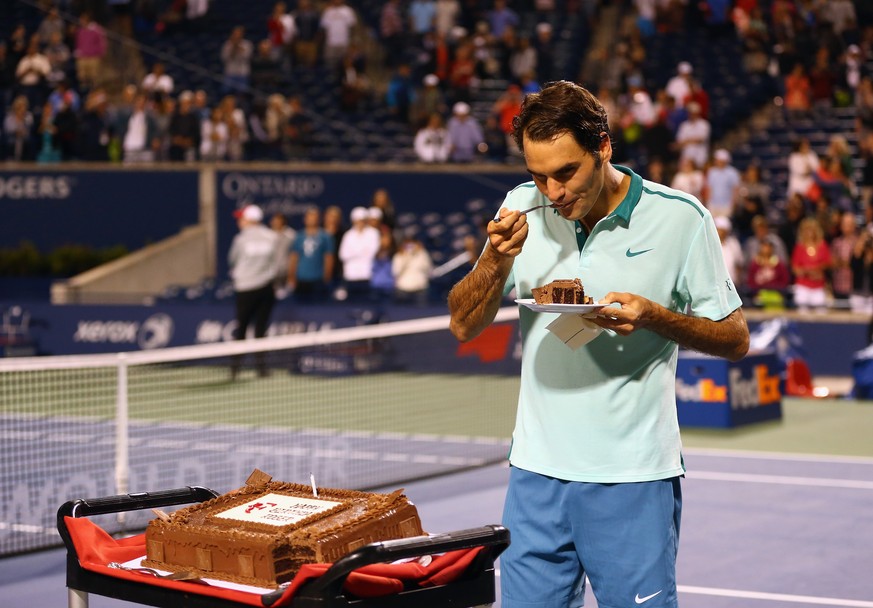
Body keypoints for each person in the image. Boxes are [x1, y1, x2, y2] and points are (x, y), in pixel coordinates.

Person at [447, 81, 749, 608]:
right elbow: (463, 325)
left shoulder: (681, 218)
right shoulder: (520, 208)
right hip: (536, 476)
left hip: (632, 477)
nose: (553, 191)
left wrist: (655, 315)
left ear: (603, 146)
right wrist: (496, 260)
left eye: (567, 172)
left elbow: (735, 339)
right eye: (538, 175)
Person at [228, 204, 285, 378]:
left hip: (245, 289)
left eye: (242, 218)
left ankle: (235, 369)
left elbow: (232, 260)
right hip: (266, 289)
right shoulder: (272, 237)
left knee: (242, 329)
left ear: (250, 220)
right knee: (261, 329)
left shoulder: (240, 239)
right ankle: (261, 369)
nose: (239, 221)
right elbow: (278, 265)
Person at [287, 206, 335, 302]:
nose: (312, 219)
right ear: (305, 219)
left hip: (318, 279)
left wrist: (327, 277)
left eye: (315, 217)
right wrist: (291, 276)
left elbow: (329, 258)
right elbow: (294, 257)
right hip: (301, 279)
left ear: (319, 219)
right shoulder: (299, 236)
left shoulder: (326, 237)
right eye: (310, 217)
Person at [338, 206, 381, 302]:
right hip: (351, 275)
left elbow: (372, 252)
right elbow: (343, 254)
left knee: (367, 303)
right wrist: (362, 252)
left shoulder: (373, 233)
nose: (360, 223)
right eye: (357, 220)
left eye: (362, 220)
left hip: (368, 275)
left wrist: (354, 253)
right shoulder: (348, 235)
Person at [791, 217, 832, 313]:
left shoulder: (822, 245)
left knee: (821, 312)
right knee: (802, 312)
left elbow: (828, 263)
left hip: (818, 285)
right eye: (806, 230)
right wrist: (806, 271)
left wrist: (817, 269)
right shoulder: (799, 247)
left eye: (811, 230)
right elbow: (795, 268)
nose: (809, 232)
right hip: (803, 285)